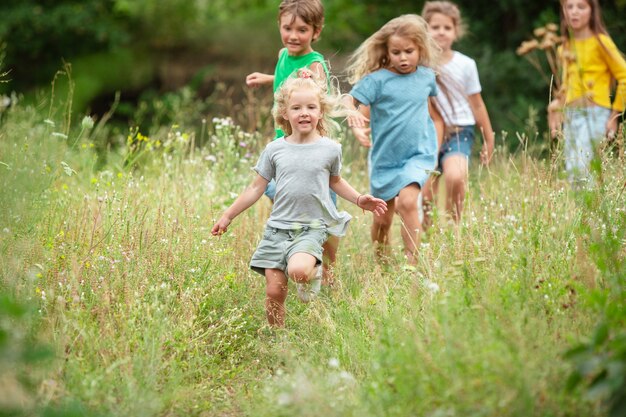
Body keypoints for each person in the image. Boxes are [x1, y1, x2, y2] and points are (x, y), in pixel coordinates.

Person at [211, 72, 387, 327]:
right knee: (274, 291)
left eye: (311, 107)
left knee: (297, 270)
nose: (304, 113)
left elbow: (335, 181)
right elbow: (255, 188)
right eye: (297, 108)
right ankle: (277, 338)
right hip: (277, 229)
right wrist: (227, 216)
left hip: (311, 227)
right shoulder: (275, 149)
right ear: (284, 113)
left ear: (320, 112)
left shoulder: (330, 149)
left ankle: (313, 272)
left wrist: (360, 199)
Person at [245, 0, 340, 283]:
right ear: (280, 27)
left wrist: (311, 79)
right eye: (288, 28)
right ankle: (294, 252)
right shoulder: (283, 54)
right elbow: (286, 79)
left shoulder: (314, 62)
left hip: (312, 151)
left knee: (324, 215)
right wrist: (267, 78)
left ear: (316, 32)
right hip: (285, 143)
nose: (294, 36)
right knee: (277, 194)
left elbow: (319, 91)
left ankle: (329, 271)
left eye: (302, 30)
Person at [343, 14, 444, 265]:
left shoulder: (427, 78)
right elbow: (349, 100)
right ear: (386, 51)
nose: (403, 57)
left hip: (418, 155)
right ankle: (381, 263)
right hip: (385, 160)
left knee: (408, 202)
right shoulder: (376, 81)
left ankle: (413, 265)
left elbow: (434, 114)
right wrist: (354, 119)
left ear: (420, 48)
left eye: (409, 51)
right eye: (396, 52)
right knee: (382, 220)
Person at [420, 1, 494, 224]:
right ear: (425, 30)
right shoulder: (418, 63)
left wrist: (489, 139)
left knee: (455, 176)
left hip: (460, 131)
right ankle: (426, 235)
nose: (441, 32)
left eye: (447, 27)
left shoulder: (466, 64)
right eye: (435, 27)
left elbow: (477, 104)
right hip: (426, 134)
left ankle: (454, 224)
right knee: (425, 193)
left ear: (456, 31)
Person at [550, 0, 626, 184]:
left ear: (592, 12)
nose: (574, 12)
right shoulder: (564, 48)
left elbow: (624, 76)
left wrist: (614, 116)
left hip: (595, 114)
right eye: (569, 7)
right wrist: (555, 109)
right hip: (570, 116)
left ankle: (590, 211)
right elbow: (566, 85)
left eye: (581, 7)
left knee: (583, 168)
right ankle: (582, 212)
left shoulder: (601, 42)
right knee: (572, 171)